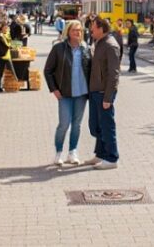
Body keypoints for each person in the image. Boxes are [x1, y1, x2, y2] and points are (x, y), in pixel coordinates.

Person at [44, 20, 92, 165]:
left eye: (79, 30)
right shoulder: (59, 48)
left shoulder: (86, 48)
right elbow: (48, 71)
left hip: (82, 94)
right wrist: (54, 89)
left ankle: (72, 152)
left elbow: (91, 70)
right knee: (64, 124)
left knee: (76, 124)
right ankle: (58, 153)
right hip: (64, 93)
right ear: (68, 32)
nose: (77, 33)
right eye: (74, 30)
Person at [85, 17, 121, 170]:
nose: (90, 29)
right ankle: (100, 153)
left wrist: (108, 97)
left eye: (92, 26)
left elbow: (114, 74)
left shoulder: (110, 45)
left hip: (103, 92)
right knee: (95, 126)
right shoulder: (98, 42)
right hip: (95, 91)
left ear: (101, 28)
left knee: (107, 125)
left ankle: (111, 157)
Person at [0, 24, 13, 93]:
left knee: (9, 71)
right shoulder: (0, 36)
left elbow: (10, 39)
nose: (6, 29)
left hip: (6, 56)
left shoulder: (5, 35)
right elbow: (7, 45)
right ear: (1, 28)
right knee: (0, 72)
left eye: (7, 28)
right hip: (1, 56)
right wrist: (10, 45)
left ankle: (9, 85)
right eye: (5, 28)